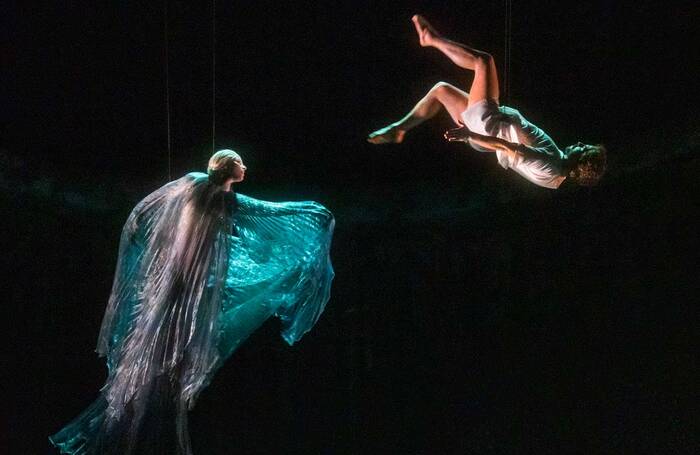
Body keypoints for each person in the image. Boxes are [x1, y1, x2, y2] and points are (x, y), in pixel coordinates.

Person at [49, 150, 335, 454]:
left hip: (177, 285)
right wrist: (317, 215)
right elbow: (271, 215)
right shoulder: (220, 199)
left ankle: (141, 421)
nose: (245, 167)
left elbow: (148, 207)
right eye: (239, 163)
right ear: (228, 169)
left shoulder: (193, 184)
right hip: (187, 290)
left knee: (158, 354)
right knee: (169, 356)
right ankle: (142, 426)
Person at [368, 15, 607, 189]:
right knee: (441, 90)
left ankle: (431, 39)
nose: (578, 143)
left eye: (583, 148)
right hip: (485, 131)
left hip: (488, 124)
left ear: (581, 161)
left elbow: (509, 148)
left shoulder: (552, 164)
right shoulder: (554, 177)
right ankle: (399, 129)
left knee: (484, 61)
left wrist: (470, 136)